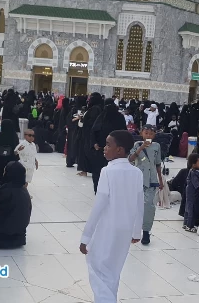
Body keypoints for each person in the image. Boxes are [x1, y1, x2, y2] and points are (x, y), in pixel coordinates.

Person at [79, 130, 144, 303]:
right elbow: (140, 204)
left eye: (109, 145)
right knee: (113, 270)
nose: (104, 148)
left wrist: (86, 236)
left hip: (107, 228)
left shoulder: (107, 172)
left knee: (96, 267)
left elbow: (98, 206)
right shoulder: (136, 173)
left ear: (120, 150)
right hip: (125, 230)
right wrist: (137, 232)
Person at [129, 124, 163, 245]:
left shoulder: (157, 146)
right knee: (135, 205)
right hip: (138, 179)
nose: (148, 135)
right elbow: (130, 159)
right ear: (142, 134)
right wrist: (141, 148)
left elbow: (158, 163)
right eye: (146, 133)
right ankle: (133, 230)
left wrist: (160, 180)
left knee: (149, 206)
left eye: (151, 133)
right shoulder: (137, 145)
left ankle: (146, 231)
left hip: (152, 180)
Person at [92, 100, 127, 193]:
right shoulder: (102, 116)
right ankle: (99, 189)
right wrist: (94, 143)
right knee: (99, 170)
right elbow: (94, 131)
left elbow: (123, 133)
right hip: (101, 149)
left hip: (115, 150)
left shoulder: (118, 117)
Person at [0, 119, 20, 184]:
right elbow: (16, 146)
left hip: (0, 158)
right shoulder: (14, 136)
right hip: (11, 158)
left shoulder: (0, 135)